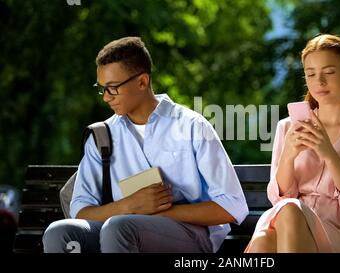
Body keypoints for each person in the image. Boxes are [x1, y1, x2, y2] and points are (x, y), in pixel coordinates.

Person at [43, 37, 248, 253]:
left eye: (112, 88)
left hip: (189, 234)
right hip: (119, 229)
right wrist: (130, 206)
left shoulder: (192, 126)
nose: (105, 98)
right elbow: (80, 211)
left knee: (119, 227)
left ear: (142, 82)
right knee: (60, 232)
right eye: (102, 88)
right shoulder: (101, 135)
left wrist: (159, 212)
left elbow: (232, 206)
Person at [245, 34, 340, 253]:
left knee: (287, 215)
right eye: (311, 74)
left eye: (329, 72)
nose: (319, 82)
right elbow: (278, 198)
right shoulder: (288, 127)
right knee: (268, 233)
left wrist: (329, 153)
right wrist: (289, 155)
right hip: (289, 223)